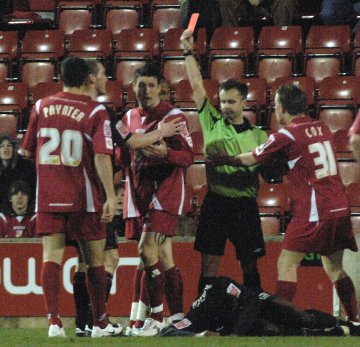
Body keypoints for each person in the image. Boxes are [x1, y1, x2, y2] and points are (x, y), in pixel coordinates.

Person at [207, 84, 359, 322]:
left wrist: (219, 160)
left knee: (286, 264)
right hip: (339, 206)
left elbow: (249, 159)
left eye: (276, 104)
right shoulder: (323, 127)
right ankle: (356, 319)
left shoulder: (287, 134)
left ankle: (280, 321)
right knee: (335, 267)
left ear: (282, 107)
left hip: (314, 209)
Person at [19, 56, 123, 338]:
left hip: (49, 195)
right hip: (84, 196)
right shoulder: (95, 111)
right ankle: (100, 323)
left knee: (51, 255)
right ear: (88, 77)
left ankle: (54, 321)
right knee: (95, 259)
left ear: (61, 76)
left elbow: (26, 151)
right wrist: (111, 196)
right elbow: (103, 156)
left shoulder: (41, 106)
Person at [181, 29, 268, 295]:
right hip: (216, 202)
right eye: (223, 101)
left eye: (232, 101)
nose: (226, 106)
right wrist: (187, 51)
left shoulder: (260, 135)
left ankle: (255, 314)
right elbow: (196, 86)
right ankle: (202, 313)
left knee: (249, 265)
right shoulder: (211, 121)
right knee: (209, 264)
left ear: (244, 102)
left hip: (244, 205)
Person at [114, 61, 194, 336]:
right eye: (140, 84)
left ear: (161, 87)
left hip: (166, 190)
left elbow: (188, 156)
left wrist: (165, 155)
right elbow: (122, 155)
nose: (145, 89)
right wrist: (124, 154)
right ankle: (173, 318)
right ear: (133, 87)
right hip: (138, 191)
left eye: (150, 84)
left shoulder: (175, 117)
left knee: (146, 251)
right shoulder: (128, 117)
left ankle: (157, 320)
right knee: (160, 257)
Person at [160, 276, 360, 337]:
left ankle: (348, 325)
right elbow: (167, 334)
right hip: (236, 321)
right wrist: (201, 336)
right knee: (271, 330)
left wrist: (235, 335)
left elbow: (253, 300)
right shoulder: (196, 319)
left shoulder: (219, 286)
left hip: (254, 301)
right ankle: (334, 334)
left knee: (298, 315)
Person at [0, 133, 36, 210]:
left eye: (9, 146)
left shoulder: (27, 166)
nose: (6, 149)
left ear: (14, 148)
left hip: (23, 210)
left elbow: (31, 192)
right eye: (2, 146)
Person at [217, 0, 297, 27]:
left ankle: (281, 40)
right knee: (225, 1)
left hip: (271, 4)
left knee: (285, 2)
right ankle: (230, 41)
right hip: (244, 5)